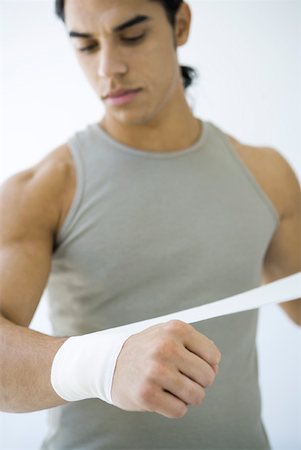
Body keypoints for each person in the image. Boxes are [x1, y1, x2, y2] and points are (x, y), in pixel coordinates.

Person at [0, 0, 300, 449]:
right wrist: (105, 364)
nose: (108, 68)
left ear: (180, 24)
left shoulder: (267, 173)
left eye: (132, 36)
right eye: (85, 46)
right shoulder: (43, 188)